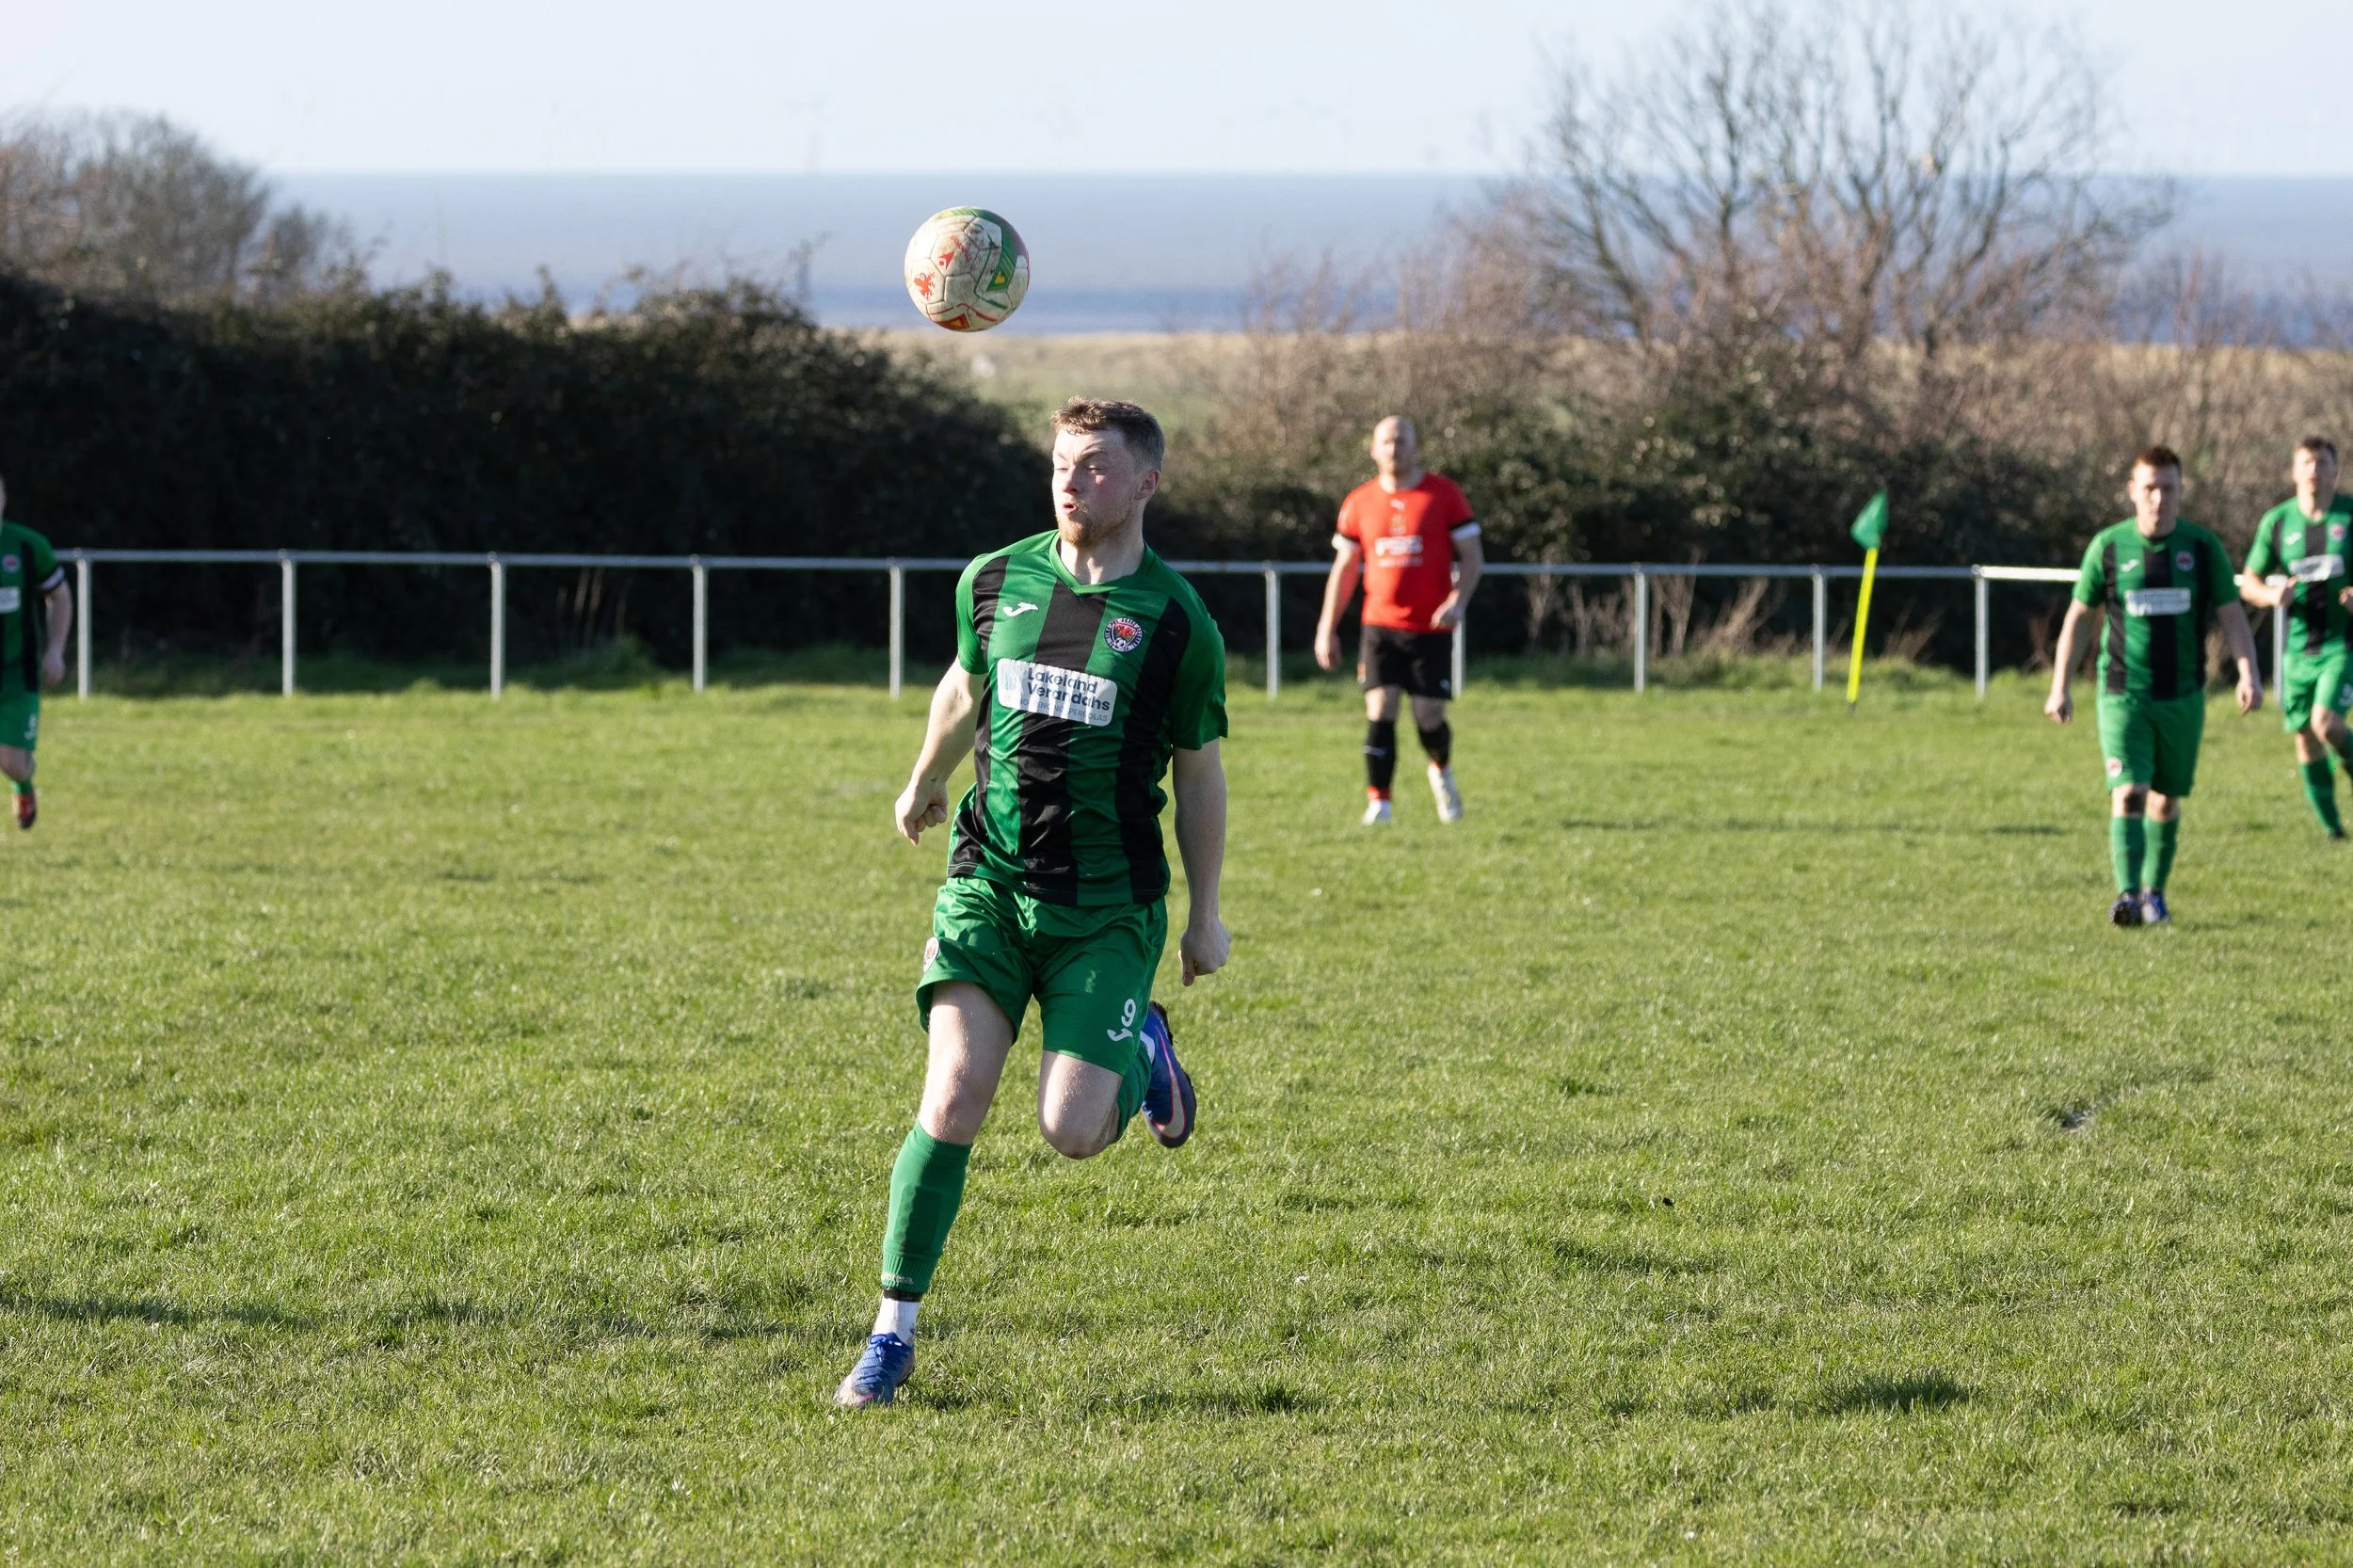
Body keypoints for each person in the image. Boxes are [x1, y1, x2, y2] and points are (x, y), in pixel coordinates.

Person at [836, 398, 1230, 1408]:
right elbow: (965, 688)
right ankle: (891, 1333)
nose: (1071, 482)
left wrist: (1206, 914)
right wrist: (924, 774)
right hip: (990, 882)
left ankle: (1144, 1048)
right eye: (1061, 463)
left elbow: (1199, 776)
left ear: (1148, 482)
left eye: (1095, 465)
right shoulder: (995, 578)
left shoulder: (1178, 621)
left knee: (1067, 1128)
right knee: (955, 1095)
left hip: (1108, 908)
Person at [2045, 445, 2262, 926]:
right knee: (2129, 792)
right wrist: (2060, 684)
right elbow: (2079, 618)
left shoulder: (2202, 548)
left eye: (2168, 489)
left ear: (2181, 490)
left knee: (2165, 799)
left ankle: (2155, 894)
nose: (2159, 499)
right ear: (2131, 491)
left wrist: (2248, 672)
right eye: (2149, 489)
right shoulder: (2107, 547)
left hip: (2184, 695)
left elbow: (2231, 615)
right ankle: (2126, 895)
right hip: (2124, 693)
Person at [1312, 415, 1483, 825]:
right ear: (1373, 449)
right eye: (1386, 441)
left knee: (1429, 716)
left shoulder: (1444, 495)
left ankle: (1440, 768)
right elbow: (1346, 569)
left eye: (1402, 440)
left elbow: (1473, 557)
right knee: (1381, 706)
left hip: (1431, 628)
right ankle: (1380, 804)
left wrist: (1458, 601)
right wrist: (1326, 627)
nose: (1394, 448)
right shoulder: (1359, 502)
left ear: (1416, 446)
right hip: (1380, 625)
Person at [2236, 437, 2352, 838]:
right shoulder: (2278, 522)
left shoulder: (2350, 516)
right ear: (2294, 471)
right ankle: (2334, 831)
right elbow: (2248, 582)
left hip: (2342, 643)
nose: (2314, 470)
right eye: (2307, 462)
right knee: (2306, 739)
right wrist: (2271, 594)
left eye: (2322, 463)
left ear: (2336, 470)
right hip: (2298, 649)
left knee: (2328, 725)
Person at [0, 473, 72, 830]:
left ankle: (23, 784)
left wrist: (55, 650)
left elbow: (59, 596)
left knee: (12, 762)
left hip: (17, 673)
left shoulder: (26, 546)